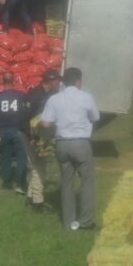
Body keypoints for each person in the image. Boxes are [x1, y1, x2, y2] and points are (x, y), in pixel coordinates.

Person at [40, 67, 100, 231]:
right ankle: (86, 221)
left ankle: (68, 222)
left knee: (66, 183)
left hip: (62, 144)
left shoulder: (54, 99)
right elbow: (95, 117)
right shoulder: (86, 97)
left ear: (63, 82)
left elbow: (45, 123)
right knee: (86, 182)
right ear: (78, 81)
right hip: (80, 143)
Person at [24, 70, 62, 212]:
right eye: (57, 80)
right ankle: (37, 202)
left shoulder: (53, 95)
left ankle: (30, 197)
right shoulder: (34, 94)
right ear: (50, 80)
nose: (59, 83)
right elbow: (25, 118)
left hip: (44, 136)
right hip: (33, 137)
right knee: (39, 169)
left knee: (38, 167)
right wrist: (31, 137)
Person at [0, 72, 28, 193]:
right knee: (21, 156)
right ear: (13, 81)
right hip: (17, 129)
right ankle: (21, 182)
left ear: (2, 81)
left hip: (3, 130)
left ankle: (6, 183)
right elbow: (24, 113)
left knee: (5, 157)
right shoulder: (20, 95)